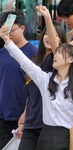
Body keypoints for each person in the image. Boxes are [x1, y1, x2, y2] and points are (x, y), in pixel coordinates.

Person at [0, 25, 73, 150]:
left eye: (61, 53)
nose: (55, 55)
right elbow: (25, 62)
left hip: (66, 137)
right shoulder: (46, 79)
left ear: (71, 59)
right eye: (57, 52)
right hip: (45, 135)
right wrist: (8, 41)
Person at [17, 21, 66, 150]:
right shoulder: (35, 58)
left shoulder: (57, 62)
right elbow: (31, 92)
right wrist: (24, 115)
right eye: (47, 34)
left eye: (54, 35)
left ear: (60, 41)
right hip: (31, 121)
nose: (49, 38)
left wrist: (47, 17)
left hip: (47, 124)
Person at [0, 10, 37, 149]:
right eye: (4, 28)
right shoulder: (2, 53)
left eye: (11, 29)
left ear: (22, 28)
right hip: (3, 115)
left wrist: (26, 113)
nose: (8, 32)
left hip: (25, 117)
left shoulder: (34, 53)